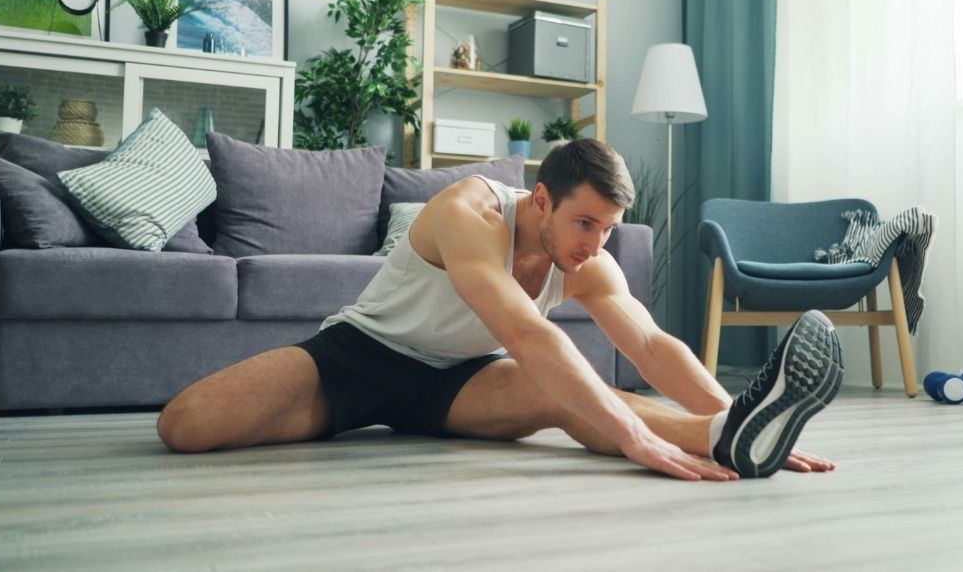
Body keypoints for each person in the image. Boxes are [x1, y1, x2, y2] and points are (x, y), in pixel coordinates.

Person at [157, 139, 843, 480]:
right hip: (359, 359)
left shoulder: (588, 259)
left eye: (608, 228)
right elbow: (521, 328)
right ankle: (333, 420)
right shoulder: (469, 212)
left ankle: (737, 434)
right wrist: (632, 439)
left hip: (456, 380)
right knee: (184, 427)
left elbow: (652, 347)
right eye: (584, 224)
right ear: (540, 198)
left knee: (569, 395)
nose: (596, 244)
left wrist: (727, 408)